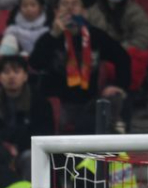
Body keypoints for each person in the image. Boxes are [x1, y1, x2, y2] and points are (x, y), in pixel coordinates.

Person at [29, 0, 130, 133]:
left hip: (90, 101)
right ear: (56, 11)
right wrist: (53, 36)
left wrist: (118, 85)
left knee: (116, 100)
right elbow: (35, 64)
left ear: (83, 11)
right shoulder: (49, 38)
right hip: (59, 103)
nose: (70, 9)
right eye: (65, 5)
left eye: (75, 4)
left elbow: (123, 57)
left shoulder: (95, 36)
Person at [0, 55, 54, 179]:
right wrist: (5, 147)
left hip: (28, 149)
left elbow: (45, 133)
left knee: (30, 157)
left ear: (25, 76)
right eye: (6, 72)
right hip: (1, 151)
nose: (11, 76)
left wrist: (18, 146)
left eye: (16, 71)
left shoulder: (40, 102)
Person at [86, 0, 148, 92]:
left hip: (127, 52)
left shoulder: (134, 11)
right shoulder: (92, 12)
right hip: (100, 57)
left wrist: (122, 49)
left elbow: (144, 36)